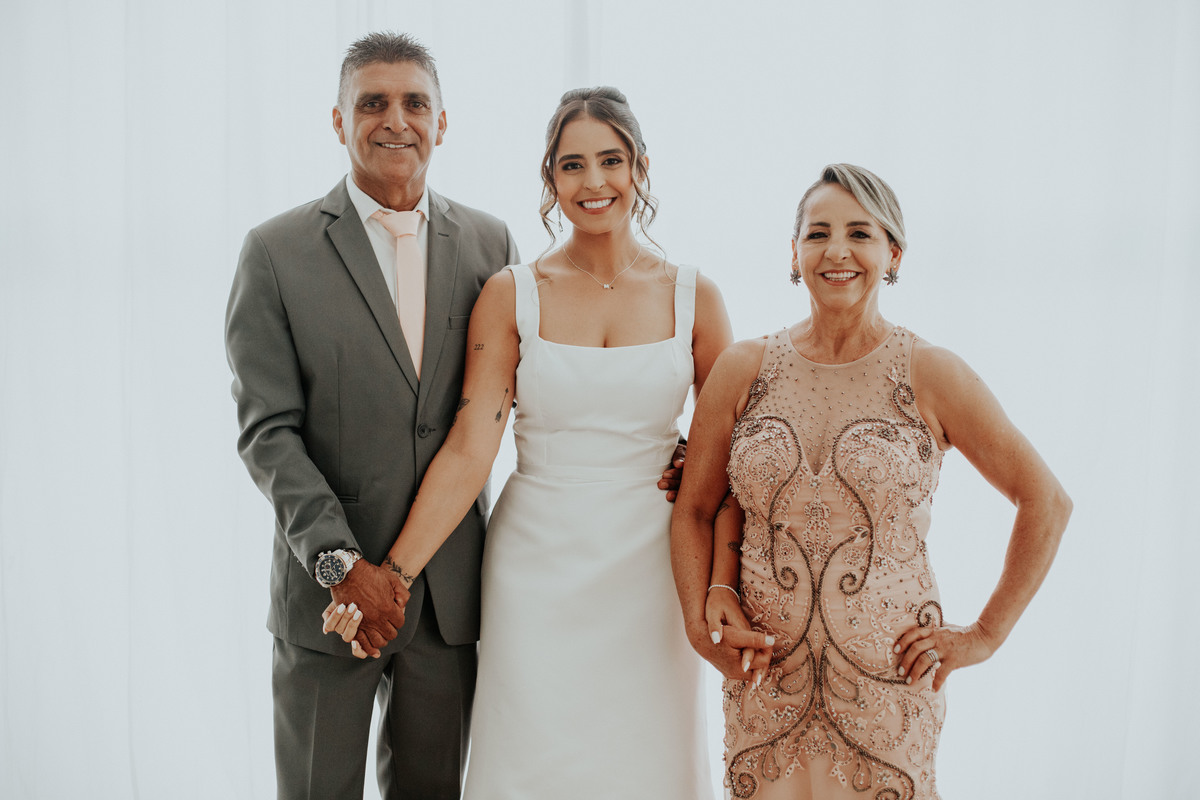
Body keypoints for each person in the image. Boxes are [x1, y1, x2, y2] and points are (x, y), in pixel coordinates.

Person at [325, 86, 766, 799]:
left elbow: (738, 460)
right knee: (531, 758)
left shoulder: (695, 296)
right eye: (572, 165)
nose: (594, 182)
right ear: (550, 178)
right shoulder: (512, 292)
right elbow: (470, 448)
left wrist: (716, 561)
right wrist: (394, 576)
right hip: (535, 567)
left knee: (645, 757)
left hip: (653, 566)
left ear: (640, 168)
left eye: (611, 160)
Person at [670, 164, 1072, 799]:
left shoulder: (932, 372)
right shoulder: (742, 368)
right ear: (794, 253)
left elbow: (1045, 500)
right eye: (818, 233)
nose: (837, 250)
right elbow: (697, 508)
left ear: (893, 255)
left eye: (860, 233)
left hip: (887, 692)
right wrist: (701, 628)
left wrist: (984, 636)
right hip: (764, 687)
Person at [225, 32, 521, 800]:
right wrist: (339, 564)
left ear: (442, 122)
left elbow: (517, 395)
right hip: (328, 602)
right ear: (338, 120)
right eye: (372, 103)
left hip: (448, 602)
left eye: (415, 102)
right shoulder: (275, 251)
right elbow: (267, 433)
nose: (396, 120)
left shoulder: (491, 243)